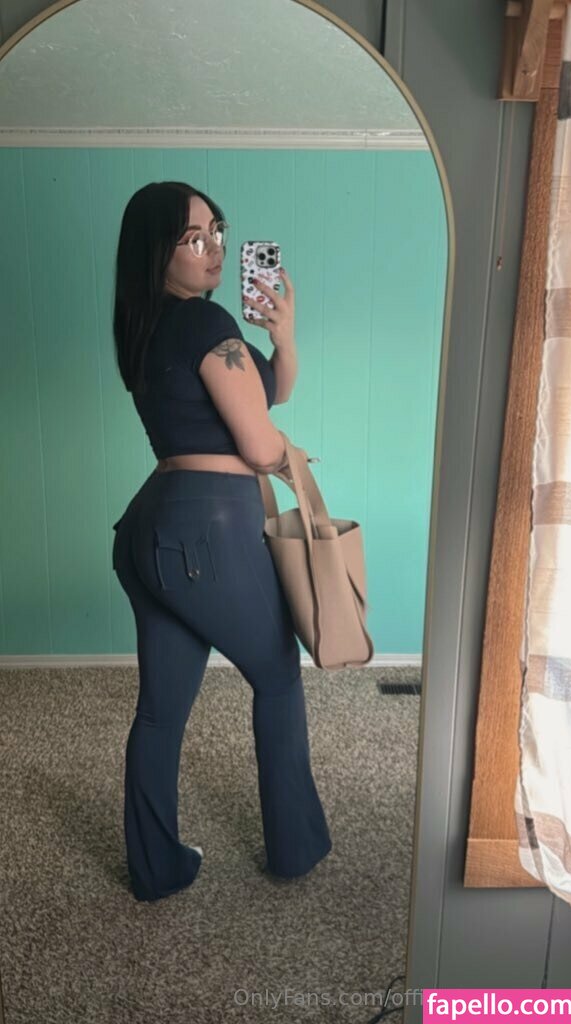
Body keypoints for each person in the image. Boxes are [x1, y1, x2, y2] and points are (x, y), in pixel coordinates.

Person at [111, 181, 332, 902]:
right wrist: (289, 455)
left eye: (218, 232)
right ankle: (296, 849)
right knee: (277, 674)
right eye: (192, 238)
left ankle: (157, 867)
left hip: (151, 531)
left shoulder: (149, 327)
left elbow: (274, 392)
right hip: (206, 530)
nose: (213, 248)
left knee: (160, 709)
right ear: (157, 252)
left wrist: (283, 337)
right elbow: (260, 443)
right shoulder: (205, 321)